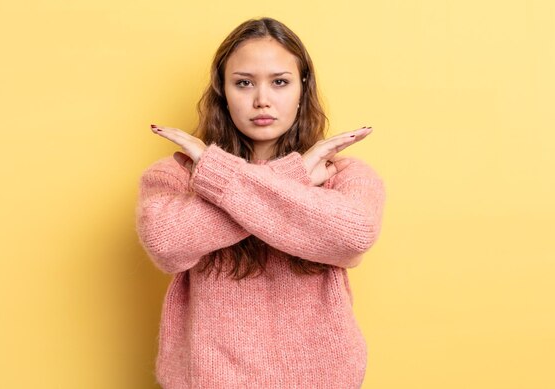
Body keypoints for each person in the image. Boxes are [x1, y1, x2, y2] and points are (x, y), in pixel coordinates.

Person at [135, 16, 385, 389]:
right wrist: (293, 175)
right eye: (244, 83)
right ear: (222, 90)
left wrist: (218, 176)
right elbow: (166, 244)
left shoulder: (340, 171)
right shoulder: (177, 175)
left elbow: (353, 238)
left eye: (280, 82)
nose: (262, 99)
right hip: (209, 378)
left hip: (322, 378)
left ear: (303, 88)